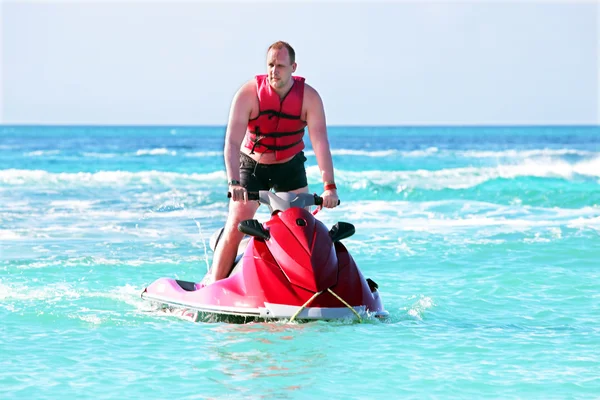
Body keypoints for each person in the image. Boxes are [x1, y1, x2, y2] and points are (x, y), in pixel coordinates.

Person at [205, 40, 339, 285]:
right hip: (253, 166)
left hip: (290, 167)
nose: (273, 71)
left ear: (293, 67)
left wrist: (329, 186)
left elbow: (320, 142)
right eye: (270, 65)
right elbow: (232, 143)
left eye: (280, 65)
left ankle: (301, 286)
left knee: (300, 229)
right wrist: (234, 182)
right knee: (238, 222)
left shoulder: (309, 98)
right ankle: (215, 284)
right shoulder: (248, 94)